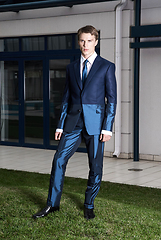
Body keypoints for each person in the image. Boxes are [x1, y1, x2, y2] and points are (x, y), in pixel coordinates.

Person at [33, 25, 117, 220]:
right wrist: (60, 124)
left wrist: (108, 128)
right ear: (78, 42)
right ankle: (52, 204)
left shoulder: (106, 66)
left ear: (96, 42)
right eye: (82, 40)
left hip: (96, 125)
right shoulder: (71, 67)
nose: (85, 44)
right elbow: (66, 98)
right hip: (72, 122)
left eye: (89, 40)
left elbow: (111, 99)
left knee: (95, 167)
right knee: (59, 160)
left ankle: (89, 205)